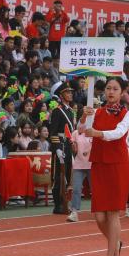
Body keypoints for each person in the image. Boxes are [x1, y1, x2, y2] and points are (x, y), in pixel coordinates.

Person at [78, 77, 129, 256]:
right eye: (108, 88)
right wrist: (83, 117)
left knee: (112, 212)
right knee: (99, 216)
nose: (111, 92)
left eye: (115, 89)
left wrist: (98, 134)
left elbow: (118, 133)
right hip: (99, 164)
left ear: (122, 92)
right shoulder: (96, 111)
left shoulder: (127, 114)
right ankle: (115, 242)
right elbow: (81, 130)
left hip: (117, 165)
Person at [48, 81, 77, 216]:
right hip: (60, 146)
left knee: (68, 175)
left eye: (71, 92)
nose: (70, 94)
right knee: (58, 176)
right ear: (61, 95)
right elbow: (53, 132)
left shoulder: (70, 111)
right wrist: (58, 148)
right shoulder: (57, 111)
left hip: (68, 146)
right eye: (67, 92)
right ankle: (58, 204)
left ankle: (65, 201)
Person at [68, 127, 93, 222]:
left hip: (92, 164)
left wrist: (89, 152)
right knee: (76, 189)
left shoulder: (94, 131)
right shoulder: (75, 133)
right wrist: (73, 146)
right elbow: (74, 150)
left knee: (95, 190)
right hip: (79, 165)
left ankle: (100, 210)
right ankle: (74, 212)